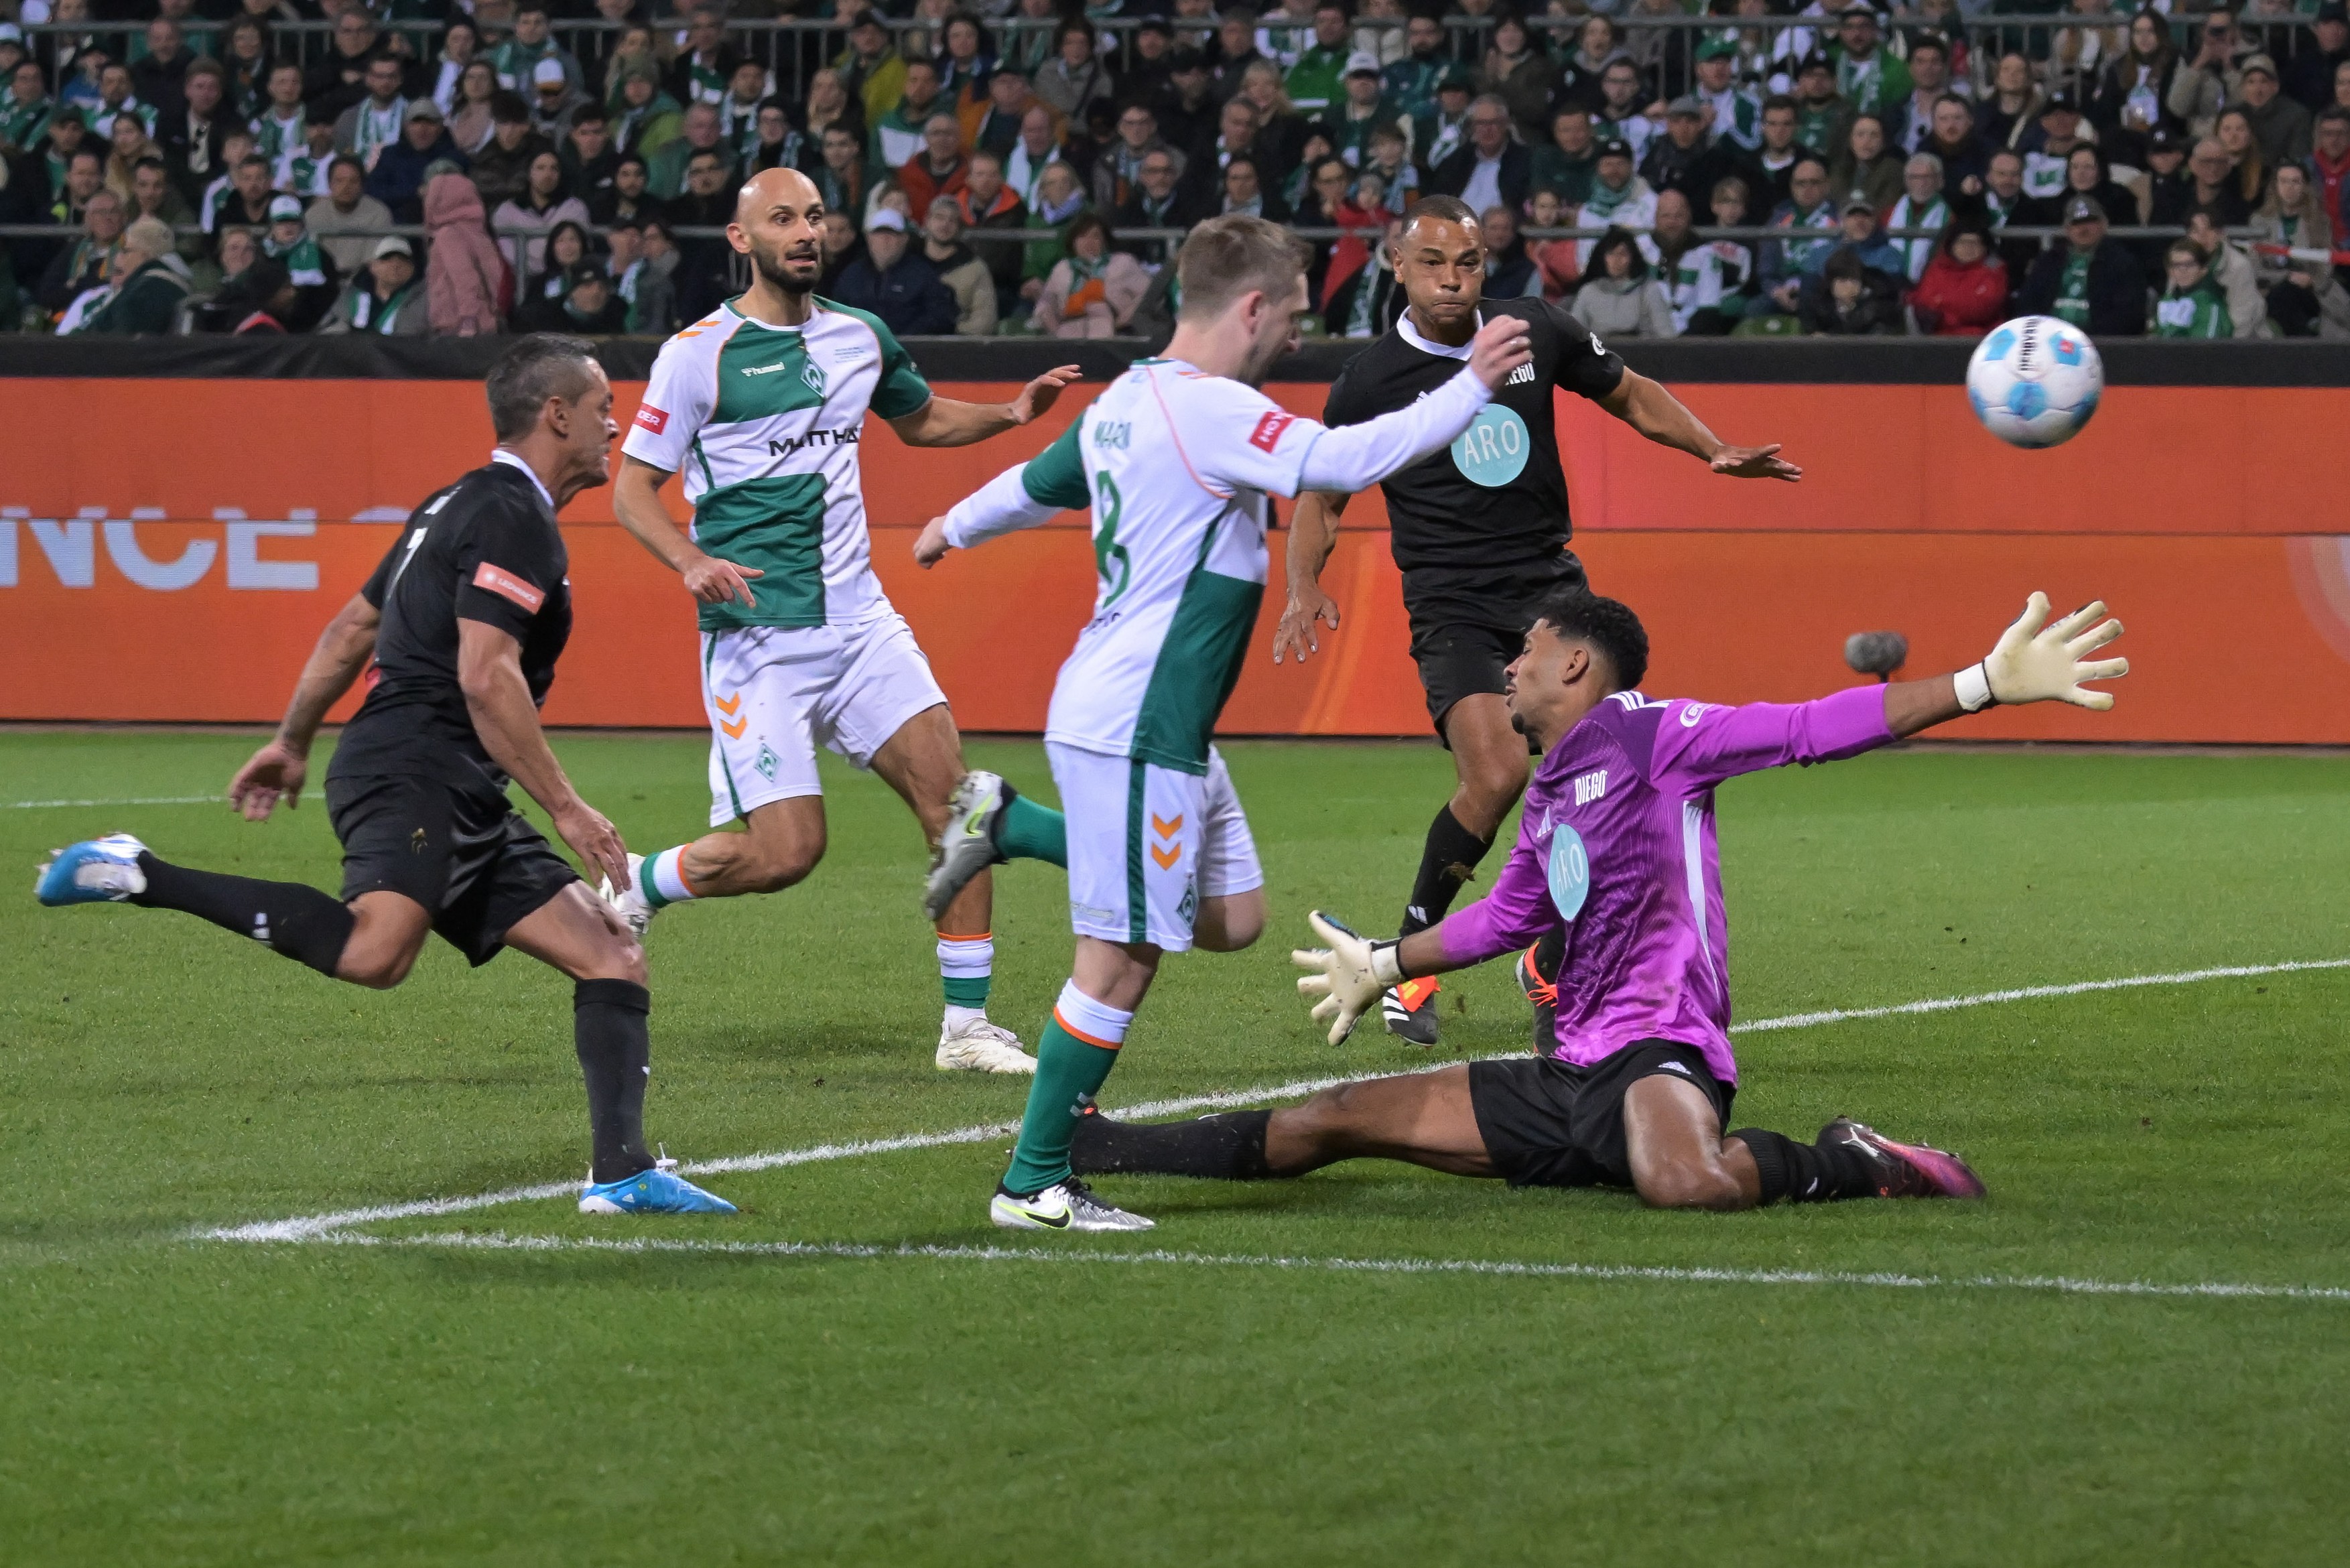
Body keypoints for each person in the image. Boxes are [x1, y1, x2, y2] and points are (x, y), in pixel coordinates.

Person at [1070, 589, 2129, 1216]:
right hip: (1560, 1072)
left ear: (1572, 661)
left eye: (1522, 653)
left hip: (1655, 1051)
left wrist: (1980, 683)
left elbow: (1811, 725)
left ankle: (1846, 1160)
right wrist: (1390, 963)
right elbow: (1505, 920)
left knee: (1685, 1184)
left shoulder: (1655, 734)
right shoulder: (1547, 794)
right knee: (1330, 1120)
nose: (1509, 670)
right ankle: (1098, 1147)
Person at [909, 215, 1535, 1231]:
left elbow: (1035, 485)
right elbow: (1345, 457)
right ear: (1248, 307)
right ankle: (1032, 1184)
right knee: (1120, 957)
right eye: (1288, 314)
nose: (1291, 334)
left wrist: (949, 526)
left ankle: (1010, 826)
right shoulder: (1211, 411)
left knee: (1231, 919)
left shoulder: (1126, 401)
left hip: (1158, 725)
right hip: (1139, 721)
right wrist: (1471, 380)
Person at [36, 338, 736, 1218]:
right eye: (602, 406)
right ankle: (140, 873)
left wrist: (292, 741)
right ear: (555, 415)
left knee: (610, 951)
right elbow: (486, 674)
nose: (615, 422)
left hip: (448, 775)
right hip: (416, 767)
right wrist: (568, 807)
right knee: (375, 953)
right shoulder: (509, 516)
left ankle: (622, 1173)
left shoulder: (453, 502)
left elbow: (350, 629)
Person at [1276, 194, 1798, 1047]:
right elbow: (1323, 498)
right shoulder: (1368, 382)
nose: (1453, 281)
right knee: (1497, 776)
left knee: (1617, 775)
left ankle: (1548, 956)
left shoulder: (1532, 330)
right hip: (1451, 601)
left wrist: (1713, 449)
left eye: (1470, 263)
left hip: (1552, 594)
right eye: (1434, 263)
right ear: (1394, 268)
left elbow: (1629, 394)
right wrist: (1303, 582)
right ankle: (1412, 963)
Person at [606, 168, 1081, 1075]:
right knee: (787, 853)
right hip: (758, 638)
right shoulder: (697, 353)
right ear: (740, 240)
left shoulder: (859, 336)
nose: (805, 232)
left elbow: (922, 418)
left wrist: (1011, 414)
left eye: (815, 215)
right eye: (781, 218)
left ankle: (966, 1028)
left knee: (960, 806)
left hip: (860, 623)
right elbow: (633, 489)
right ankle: (641, 879)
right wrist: (691, 561)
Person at [2018, 194, 2148, 336]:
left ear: (2104, 224)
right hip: (2049, 341)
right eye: (2076, 223)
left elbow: (2128, 315)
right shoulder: (2048, 261)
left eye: (2090, 221)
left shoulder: (2123, 263)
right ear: (2067, 229)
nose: (2083, 229)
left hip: (2101, 343)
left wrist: (2085, 337)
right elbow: (2027, 305)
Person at [830, 204, 960, 334]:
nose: (885, 240)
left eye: (892, 234)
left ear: (905, 239)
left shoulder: (922, 274)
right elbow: (836, 315)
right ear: (869, 238)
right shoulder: (852, 275)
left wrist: (901, 339)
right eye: (879, 234)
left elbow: (940, 317)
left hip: (910, 350)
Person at [1035, 208, 1148, 336]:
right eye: (1082, 236)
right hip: (1069, 333)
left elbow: (1148, 296)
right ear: (1073, 242)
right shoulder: (1063, 268)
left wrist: (1121, 322)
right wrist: (1055, 330)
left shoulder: (1122, 263)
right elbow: (1046, 301)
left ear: (1104, 241)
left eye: (1095, 236)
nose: (1089, 242)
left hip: (1114, 334)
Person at [78, 213, 187, 332]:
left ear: (147, 256)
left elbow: (120, 345)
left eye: (125, 251)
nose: (116, 258)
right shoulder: (170, 285)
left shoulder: (142, 295)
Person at [1908, 217, 2009, 335]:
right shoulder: (1938, 267)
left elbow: (1981, 310)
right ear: (1952, 245)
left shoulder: (1994, 270)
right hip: (1937, 338)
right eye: (1962, 242)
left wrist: (1942, 308)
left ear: (1985, 247)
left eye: (1975, 243)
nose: (1968, 248)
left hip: (1980, 338)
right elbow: (1923, 300)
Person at [1571, 224, 1673, 336]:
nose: (1616, 260)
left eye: (1622, 254)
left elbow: (1667, 336)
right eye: (1611, 254)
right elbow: (1574, 336)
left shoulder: (1649, 290)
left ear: (1632, 257)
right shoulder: (1589, 291)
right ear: (1603, 257)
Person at [920, 194, 998, 335]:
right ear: (927, 221)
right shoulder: (907, 262)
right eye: (939, 217)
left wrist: (951, 330)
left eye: (952, 220)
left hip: (956, 347)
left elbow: (985, 321)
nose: (945, 224)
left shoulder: (976, 269)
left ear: (959, 227)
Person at [320, 233, 427, 334]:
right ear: (373, 266)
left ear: (412, 268)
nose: (395, 265)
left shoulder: (423, 299)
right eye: (387, 259)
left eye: (403, 260)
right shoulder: (347, 296)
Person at [2153, 239, 2234, 337]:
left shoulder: (2210, 304)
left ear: (2203, 269)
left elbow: (2206, 347)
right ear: (2169, 270)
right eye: (2177, 265)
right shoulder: (2166, 300)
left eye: (2189, 265)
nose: (2183, 270)